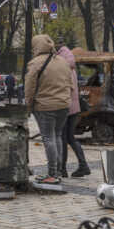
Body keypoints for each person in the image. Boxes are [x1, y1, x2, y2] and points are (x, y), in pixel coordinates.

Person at [24, 34, 73, 185]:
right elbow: (70, 84)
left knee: (48, 138)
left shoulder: (35, 63)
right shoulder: (62, 62)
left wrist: (28, 105)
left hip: (45, 106)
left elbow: (30, 87)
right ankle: (57, 171)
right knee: (57, 136)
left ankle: (52, 174)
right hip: (64, 105)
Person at [56, 46, 90, 178]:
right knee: (70, 138)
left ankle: (62, 169)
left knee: (63, 138)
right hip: (75, 108)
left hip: (65, 107)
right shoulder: (72, 68)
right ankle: (83, 165)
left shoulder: (64, 68)